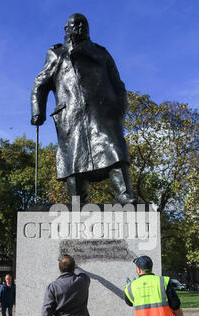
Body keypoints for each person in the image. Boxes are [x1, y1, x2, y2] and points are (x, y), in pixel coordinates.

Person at [31, 13, 136, 205]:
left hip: (102, 113)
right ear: (67, 29)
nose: (79, 28)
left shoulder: (101, 53)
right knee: (74, 160)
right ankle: (78, 204)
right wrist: (38, 110)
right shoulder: (56, 53)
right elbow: (40, 83)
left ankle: (124, 196)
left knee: (115, 149)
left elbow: (118, 84)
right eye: (75, 24)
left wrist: (119, 108)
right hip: (71, 115)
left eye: (83, 24)